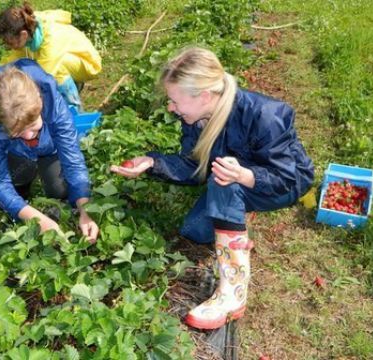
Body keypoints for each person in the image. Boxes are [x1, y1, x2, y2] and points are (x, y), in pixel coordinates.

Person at [110, 47, 314, 330]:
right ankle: (236, 216)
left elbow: (288, 177)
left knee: (223, 181)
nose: (171, 108)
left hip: (280, 183)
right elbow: (194, 168)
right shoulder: (196, 118)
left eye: (174, 100)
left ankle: (233, 295)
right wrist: (152, 163)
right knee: (196, 231)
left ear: (204, 96)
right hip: (237, 179)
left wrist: (245, 176)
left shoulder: (265, 115)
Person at [0, 58, 99, 243]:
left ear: (40, 103)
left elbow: (72, 159)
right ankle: (21, 196)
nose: (28, 136)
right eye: (17, 131)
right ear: (0, 122)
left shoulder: (52, 101)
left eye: (33, 126)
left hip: (50, 148)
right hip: (15, 152)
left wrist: (85, 209)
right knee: (17, 179)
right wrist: (35, 218)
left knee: (59, 190)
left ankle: (58, 198)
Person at [0, 2, 102, 110]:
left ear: (23, 35)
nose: (8, 46)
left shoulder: (51, 37)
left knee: (57, 71)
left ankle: (74, 108)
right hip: (67, 59)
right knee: (25, 67)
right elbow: (13, 59)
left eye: (10, 42)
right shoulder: (28, 28)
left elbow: (44, 75)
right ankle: (72, 85)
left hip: (87, 61)